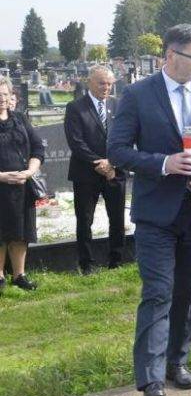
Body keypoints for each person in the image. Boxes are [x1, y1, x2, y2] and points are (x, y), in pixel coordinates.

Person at [108, 24, 191, 396]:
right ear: (170, 55)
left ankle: (177, 362)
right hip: (157, 214)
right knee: (158, 292)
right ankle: (151, 379)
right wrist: (164, 163)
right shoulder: (137, 94)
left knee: (188, 292)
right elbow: (117, 150)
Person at [64, 66, 127, 274]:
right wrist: (99, 163)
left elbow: (126, 136)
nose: (106, 87)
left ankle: (116, 261)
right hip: (86, 173)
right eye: (101, 83)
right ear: (89, 82)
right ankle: (87, 264)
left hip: (115, 172)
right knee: (85, 220)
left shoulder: (118, 105)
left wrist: (112, 163)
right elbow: (76, 142)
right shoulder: (75, 107)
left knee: (117, 218)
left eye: (109, 83)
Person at [0, 76, 44, 295]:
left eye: (4, 94)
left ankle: (19, 275)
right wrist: (2, 176)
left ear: (10, 96)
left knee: (20, 232)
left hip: (21, 186)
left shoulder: (20, 119)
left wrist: (29, 171)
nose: (1, 98)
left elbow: (37, 148)